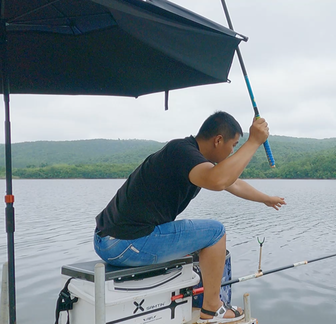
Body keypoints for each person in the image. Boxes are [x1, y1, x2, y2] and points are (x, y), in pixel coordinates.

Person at [94, 111, 285, 323]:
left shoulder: (187, 155)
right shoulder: (182, 153)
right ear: (218, 140)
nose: (233, 151)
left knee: (199, 244)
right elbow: (218, 180)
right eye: (234, 145)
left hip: (106, 242)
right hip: (127, 244)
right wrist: (254, 142)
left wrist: (266, 199)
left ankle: (197, 300)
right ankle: (212, 309)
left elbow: (233, 182)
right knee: (215, 232)